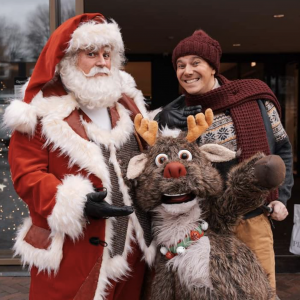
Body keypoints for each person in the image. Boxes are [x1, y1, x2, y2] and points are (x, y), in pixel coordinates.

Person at [3, 13, 155, 300]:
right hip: (74, 253)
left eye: (107, 54)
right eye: (91, 53)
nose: (101, 61)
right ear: (69, 59)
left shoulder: (128, 104)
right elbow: (27, 175)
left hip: (135, 250)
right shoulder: (41, 111)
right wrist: (75, 201)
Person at [155, 30, 294, 294]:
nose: (187, 71)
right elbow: (160, 171)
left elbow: (282, 149)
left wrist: (280, 197)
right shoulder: (171, 115)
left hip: (250, 221)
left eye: (196, 63)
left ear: (212, 68)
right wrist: (166, 126)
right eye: (180, 65)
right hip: (199, 226)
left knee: (260, 292)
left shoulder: (256, 101)